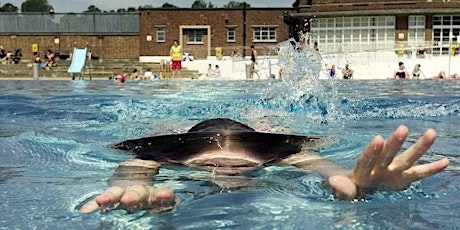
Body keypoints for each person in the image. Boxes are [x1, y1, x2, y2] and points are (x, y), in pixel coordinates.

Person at [80, 118, 449, 214]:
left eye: (238, 168)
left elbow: (324, 168)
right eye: (213, 166)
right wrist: (132, 187)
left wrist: (357, 182)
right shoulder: (162, 155)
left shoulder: (282, 153)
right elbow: (135, 168)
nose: (225, 175)